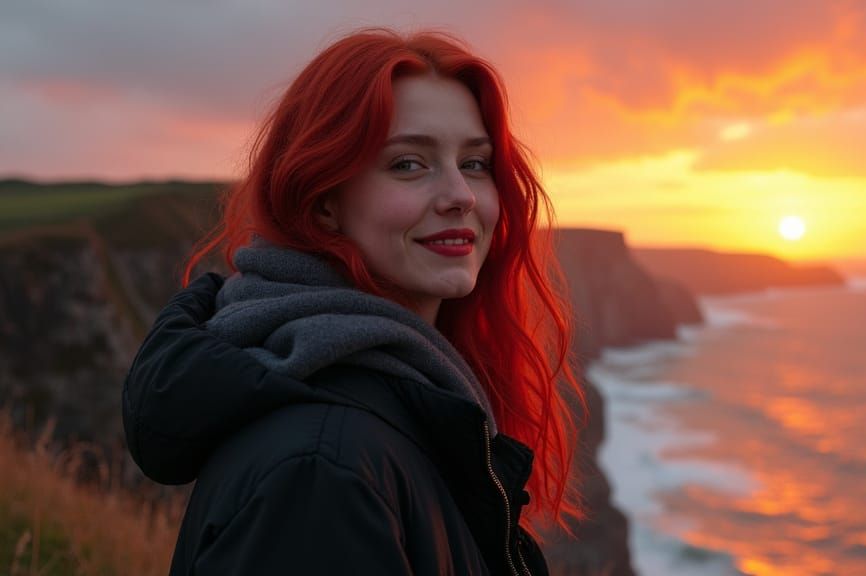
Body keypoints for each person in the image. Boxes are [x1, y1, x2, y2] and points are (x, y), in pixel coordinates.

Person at [122, 28, 584, 575]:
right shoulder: (324, 471)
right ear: (322, 203)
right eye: (408, 163)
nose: (459, 194)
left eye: (475, 163)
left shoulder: (387, 407)